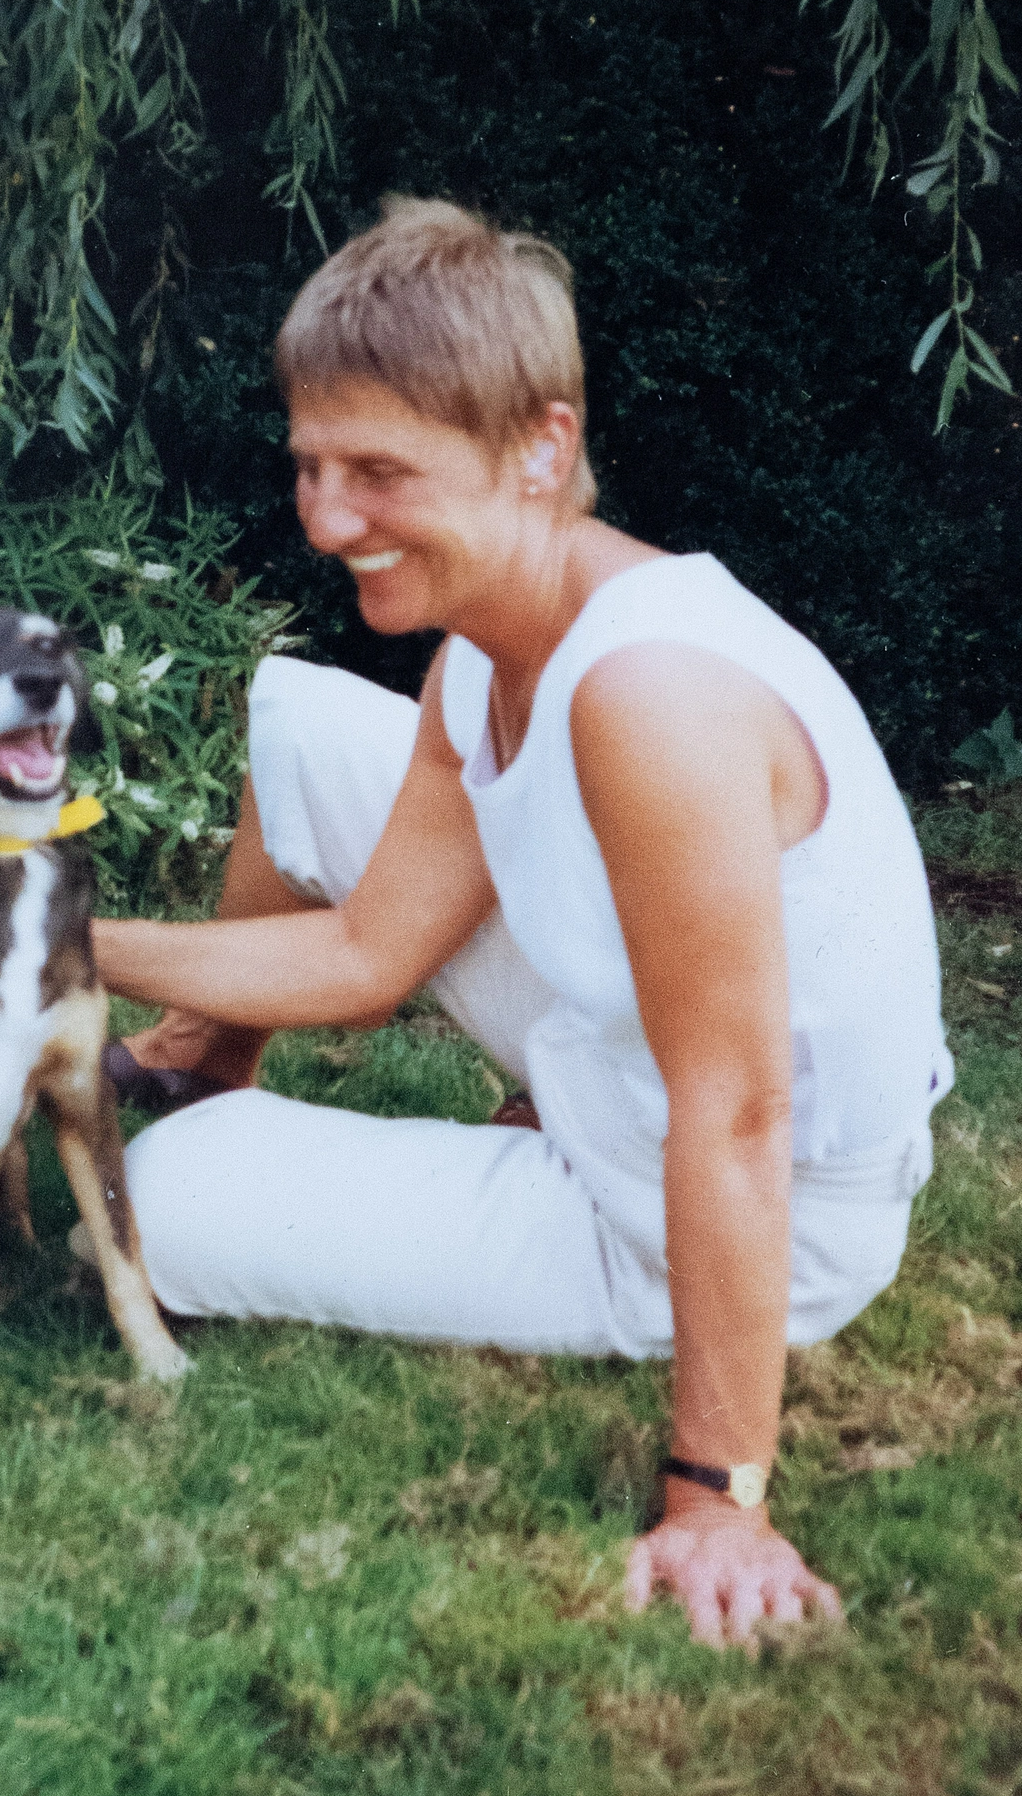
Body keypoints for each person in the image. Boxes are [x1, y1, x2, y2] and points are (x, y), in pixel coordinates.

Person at [90, 198, 951, 1650]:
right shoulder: (486, 652)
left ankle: (289, 1130)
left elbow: (739, 1109)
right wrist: (58, 940)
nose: (327, 519)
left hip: (760, 1205)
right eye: (311, 466)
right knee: (300, 722)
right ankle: (197, 1053)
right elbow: (369, 954)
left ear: (543, 448)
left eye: (379, 472)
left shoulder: (650, 695)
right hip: (629, 1064)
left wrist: (717, 1499)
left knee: (157, 1203)